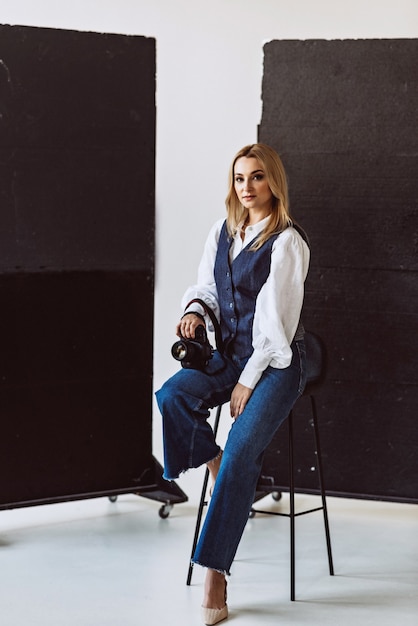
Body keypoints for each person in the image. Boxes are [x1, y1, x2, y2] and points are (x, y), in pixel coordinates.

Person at [156, 143, 310, 625]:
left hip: (279, 360)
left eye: (257, 177)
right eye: (240, 178)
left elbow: (275, 327)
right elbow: (206, 287)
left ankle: (214, 573)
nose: (247, 187)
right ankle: (227, 477)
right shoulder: (222, 232)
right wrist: (193, 313)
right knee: (173, 395)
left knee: (243, 445)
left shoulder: (287, 242)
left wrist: (246, 381)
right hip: (231, 352)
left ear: (274, 183)